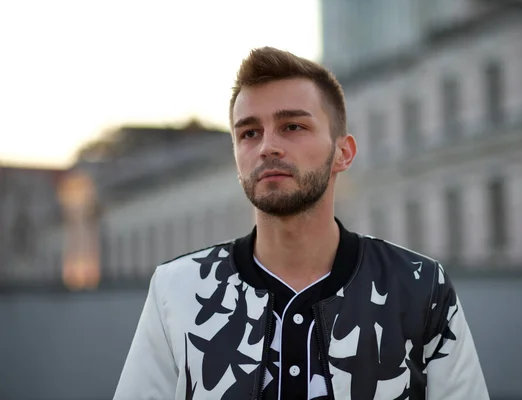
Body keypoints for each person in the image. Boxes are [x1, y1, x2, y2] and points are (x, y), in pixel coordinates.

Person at [114, 46, 489, 400]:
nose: (267, 147)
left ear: (343, 153)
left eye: (292, 126)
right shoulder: (177, 290)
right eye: (249, 133)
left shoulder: (421, 287)